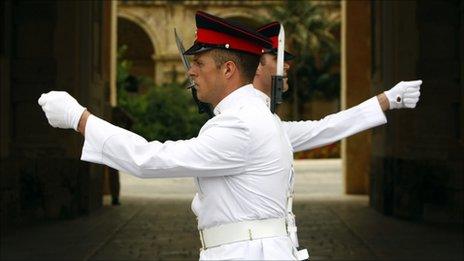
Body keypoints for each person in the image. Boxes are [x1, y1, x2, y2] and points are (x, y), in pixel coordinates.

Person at [38, 11, 304, 260]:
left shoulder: (240, 125)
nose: (191, 71)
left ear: (228, 70)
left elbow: (151, 159)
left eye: (199, 62)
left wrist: (80, 119)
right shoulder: (254, 116)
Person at [252, 21, 422, 257]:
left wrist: (388, 99)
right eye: (277, 58)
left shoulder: (269, 124)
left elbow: (325, 128)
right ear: (257, 66)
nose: (287, 65)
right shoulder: (244, 125)